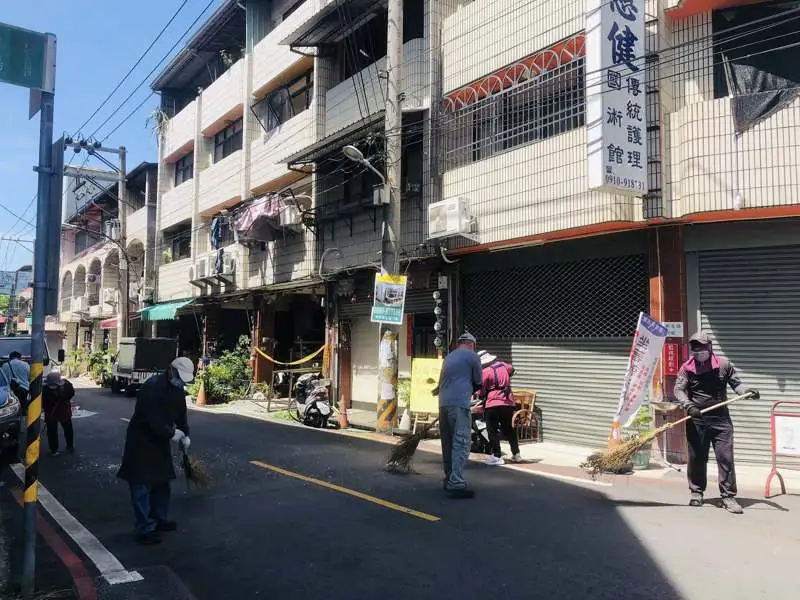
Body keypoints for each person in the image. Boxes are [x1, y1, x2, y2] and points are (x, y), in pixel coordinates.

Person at [673, 332, 759, 514]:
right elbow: (678, 390)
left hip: (721, 420)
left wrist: (746, 392)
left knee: (725, 458)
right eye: (695, 347)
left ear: (709, 347)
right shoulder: (687, 368)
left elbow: (736, 384)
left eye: (702, 347)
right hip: (697, 419)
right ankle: (696, 492)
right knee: (697, 458)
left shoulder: (724, 365)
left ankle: (728, 496)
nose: (698, 351)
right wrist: (689, 406)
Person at [117, 356, 195, 544]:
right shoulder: (152, 387)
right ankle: (145, 528)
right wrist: (171, 433)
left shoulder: (177, 389)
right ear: (171, 370)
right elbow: (152, 419)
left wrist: (185, 433)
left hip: (160, 441)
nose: (181, 382)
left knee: (162, 481)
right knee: (141, 484)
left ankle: (159, 519)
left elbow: (181, 413)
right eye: (179, 377)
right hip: (142, 440)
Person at [434, 332, 482, 499]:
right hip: (459, 404)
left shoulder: (449, 357)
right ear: (471, 345)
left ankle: (449, 478)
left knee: (447, 442)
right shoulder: (473, 356)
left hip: (443, 403)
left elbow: (439, 384)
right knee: (461, 442)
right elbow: (478, 382)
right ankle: (456, 483)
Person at [478, 351, 521, 466]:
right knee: (508, 429)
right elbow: (513, 371)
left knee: (492, 430)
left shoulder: (485, 372)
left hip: (493, 404)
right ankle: (516, 454)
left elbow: (481, 390)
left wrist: (481, 395)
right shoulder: (504, 365)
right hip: (508, 403)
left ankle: (497, 456)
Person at [43, 370, 75, 456]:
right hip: (64, 409)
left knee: (52, 431)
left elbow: (43, 401)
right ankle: (70, 446)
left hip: (50, 412)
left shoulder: (45, 389)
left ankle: (54, 450)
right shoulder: (67, 385)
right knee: (68, 428)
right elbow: (72, 393)